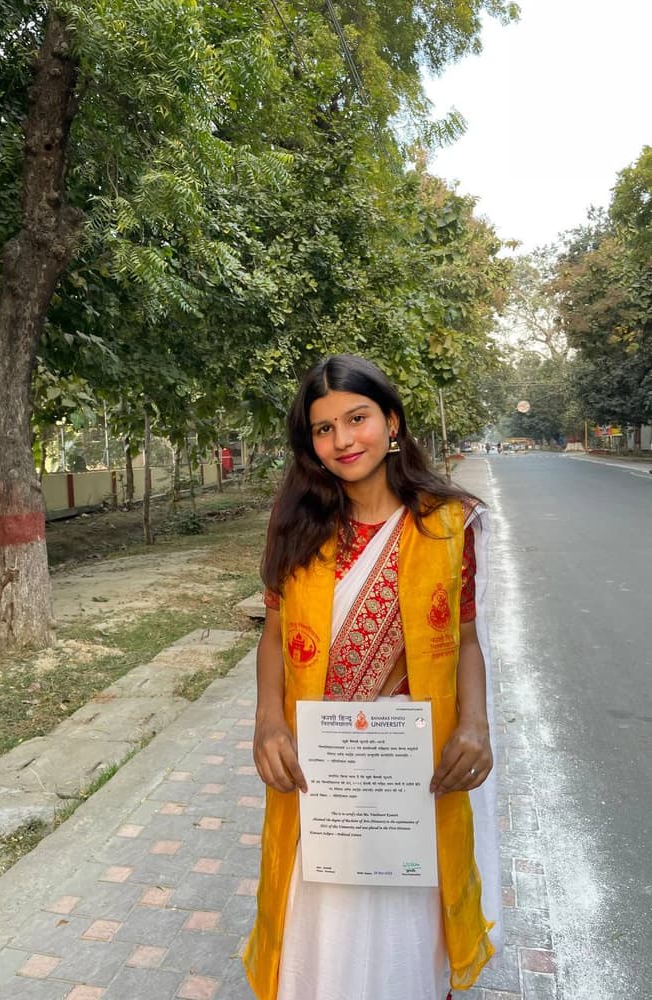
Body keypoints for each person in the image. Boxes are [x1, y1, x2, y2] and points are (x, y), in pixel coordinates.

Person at [243, 355, 501, 1000]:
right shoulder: (297, 526)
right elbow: (273, 634)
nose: (343, 440)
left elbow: (466, 638)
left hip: (410, 771)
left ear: (392, 421)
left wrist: (475, 725)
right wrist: (268, 722)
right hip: (320, 768)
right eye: (323, 428)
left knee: (401, 938)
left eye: (356, 418)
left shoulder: (446, 524)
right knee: (322, 931)